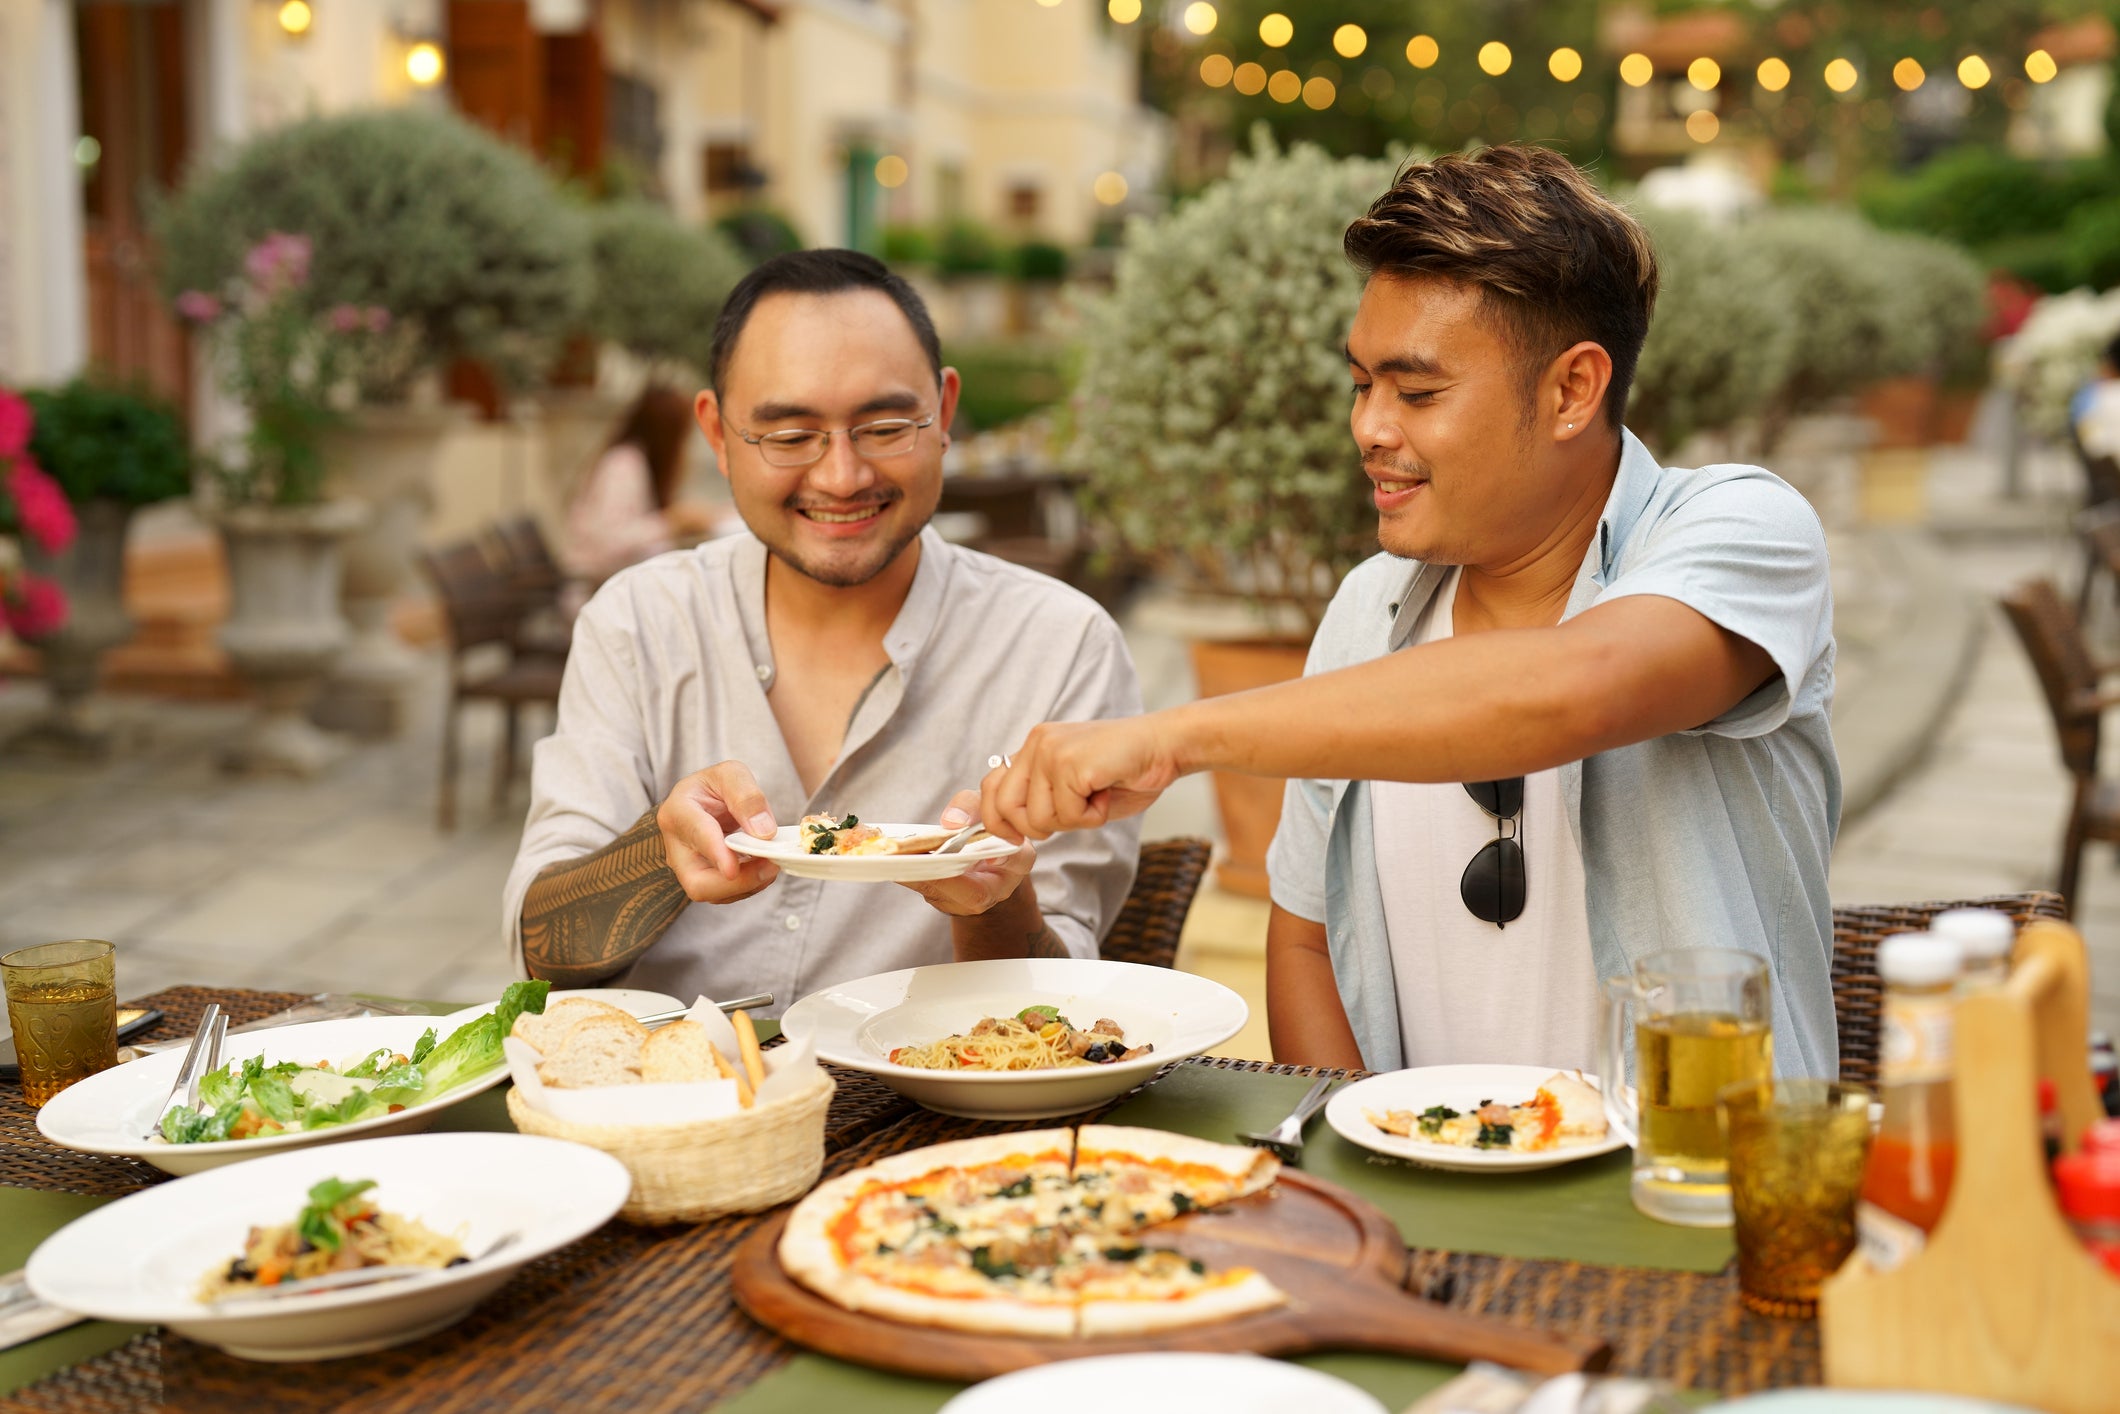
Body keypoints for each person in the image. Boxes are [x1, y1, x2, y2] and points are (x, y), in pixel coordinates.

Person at [979, 146, 1838, 1078]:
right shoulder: (1367, 608)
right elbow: (1304, 938)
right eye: (1362, 385)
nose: (1370, 429)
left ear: (1571, 391)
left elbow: (1571, 688)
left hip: (1682, 1198)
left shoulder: (1745, 529)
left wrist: (1174, 738)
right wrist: (1362, 1157)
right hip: (1424, 1199)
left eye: (1418, 392)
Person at [504, 250, 1142, 1008]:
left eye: (883, 425)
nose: (841, 477)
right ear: (716, 432)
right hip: (665, 1109)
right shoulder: (638, 622)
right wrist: (657, 854)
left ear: (944, 414)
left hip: (931, 1121)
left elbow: (1059, 1013)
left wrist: (995, 897)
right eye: (789, 434)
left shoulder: (1063, 648)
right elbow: (539, 956)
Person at [558, 385, 721, 619]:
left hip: (618, 585)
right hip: (595, 590)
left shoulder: (639, 464)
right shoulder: (623, 467)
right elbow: (611, 541)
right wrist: (671, 522)